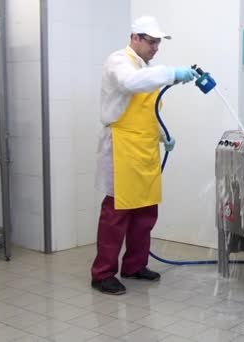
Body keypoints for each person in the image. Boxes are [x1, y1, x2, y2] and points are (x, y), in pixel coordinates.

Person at [91, 16, 198, 295]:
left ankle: (134, 266)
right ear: (134, 38)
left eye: (158, 43)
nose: (155, 48)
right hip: (122, 147)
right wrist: (172, 73)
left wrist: (165, 137)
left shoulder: (147, 68)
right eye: (151, 42)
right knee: (116, 214)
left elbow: (150, 113)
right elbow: (131, 83)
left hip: (146, 148)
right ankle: (102, 274)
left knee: (146, 212)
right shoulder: (119, 61)